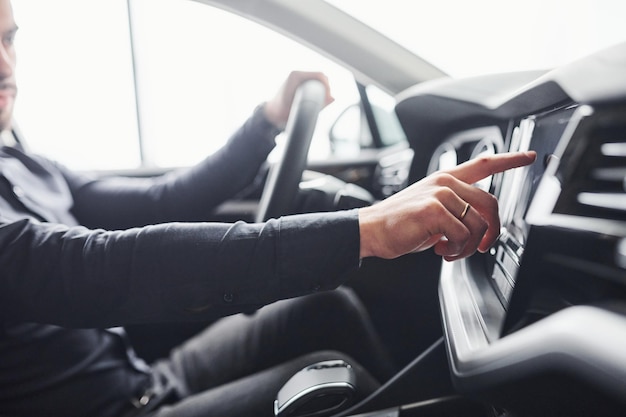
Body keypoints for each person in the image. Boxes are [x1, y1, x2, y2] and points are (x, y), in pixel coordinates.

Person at [0, 1, 537, 416]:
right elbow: (105, 268)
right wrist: (364, 229)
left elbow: (164, 200)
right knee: (332, 377)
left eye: (8, 40)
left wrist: (267, 121)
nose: (5, 65)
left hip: (139, 378)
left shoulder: (21, 164)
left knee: (327, 307)